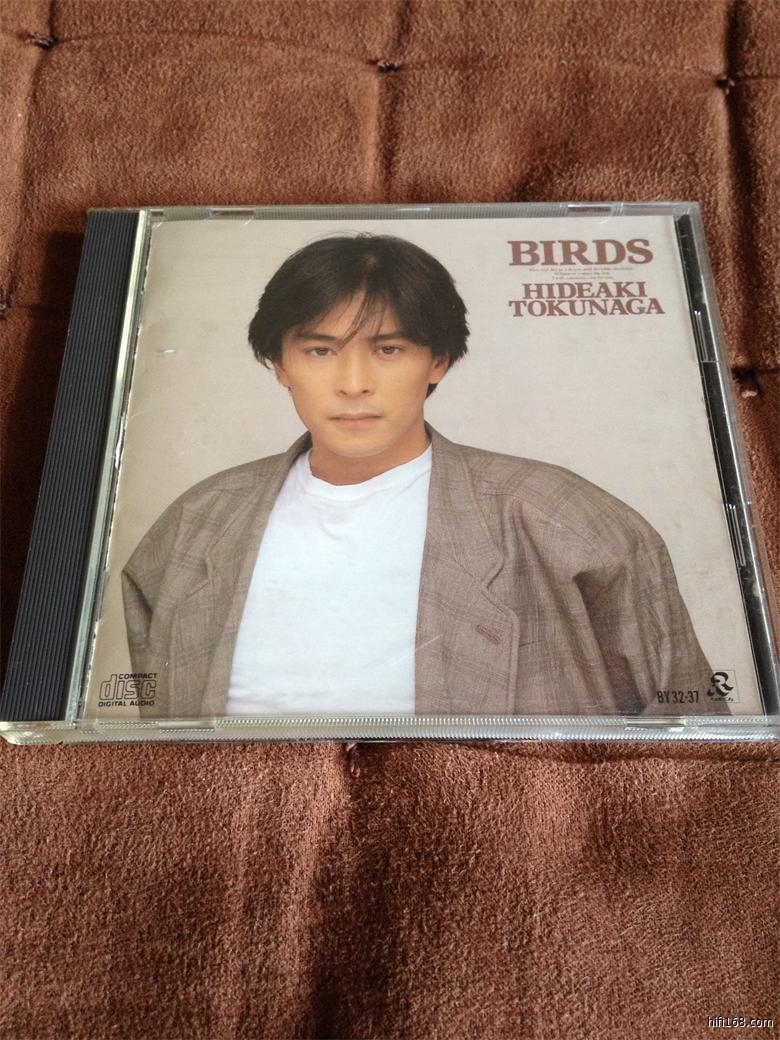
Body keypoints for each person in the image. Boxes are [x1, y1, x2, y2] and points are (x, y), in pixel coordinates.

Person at [122, 234, 725, 719]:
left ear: (438, 361)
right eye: (320, 351)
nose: (353, 384)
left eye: (389, 350)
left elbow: (690, 733)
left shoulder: (559, 515)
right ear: (280, 364)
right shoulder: (200, 518)